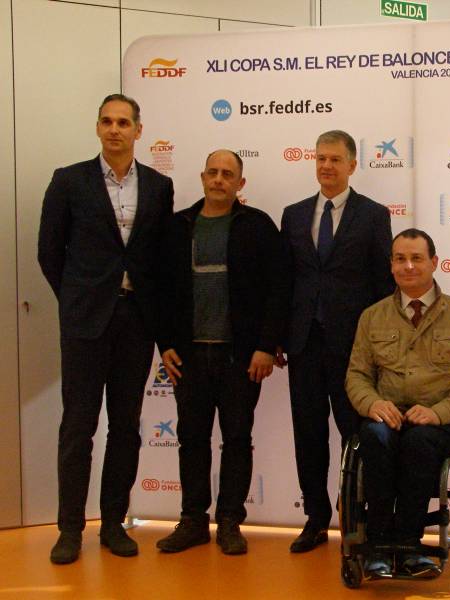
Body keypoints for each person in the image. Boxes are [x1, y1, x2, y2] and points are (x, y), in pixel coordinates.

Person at [38, 93, 174, 564]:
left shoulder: (159, 186)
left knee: (125, 427)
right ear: (97, 128)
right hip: (84, 322)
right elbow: (49, 253)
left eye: (123, 122)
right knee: (78, 427)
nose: (114, 129)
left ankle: (114, 523)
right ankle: (70, 529)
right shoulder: (68, 181)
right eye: (106, 121)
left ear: (139, 130)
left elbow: (156, 258)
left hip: (136, 320)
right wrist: (79, 299)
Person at [155, 150, 289, 555]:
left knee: (236, 439)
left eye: (227, 174)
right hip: (190, 358)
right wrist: (166, 345)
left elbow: (279, 290)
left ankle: (230, 520)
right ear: (201, 176)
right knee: (192, 439)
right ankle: (193, 521)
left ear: (240, 184)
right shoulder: (177, 227)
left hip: (240, 358)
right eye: (212, 171)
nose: (218, 179)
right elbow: (158, 293)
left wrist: (266, 346)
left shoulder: (259, 227)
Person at [346, 228, 450, 577]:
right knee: (375, 438)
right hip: (388, 416)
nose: (408, 266)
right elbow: (357, 375)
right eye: (400, 259)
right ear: (391, 265)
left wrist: (438, 412)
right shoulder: (372, 316)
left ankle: (410, 546)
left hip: (442, 423)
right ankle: (378, 546)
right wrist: (372, 404)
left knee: (420, 441)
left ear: (434, 263)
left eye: (416, 258)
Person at [279, 130, 394, 553]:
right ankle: (315, 518)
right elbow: (283, 282)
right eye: (320, 158)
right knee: (307, 435)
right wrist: (277, 337)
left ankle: (356, 519)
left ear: (352, 165)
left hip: (354, 350)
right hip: (303, 343)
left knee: (356, 435)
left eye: (334, 159)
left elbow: (384, 286)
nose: (326, 166)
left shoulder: (374, 215)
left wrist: (382, 347)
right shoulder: (292, 215)